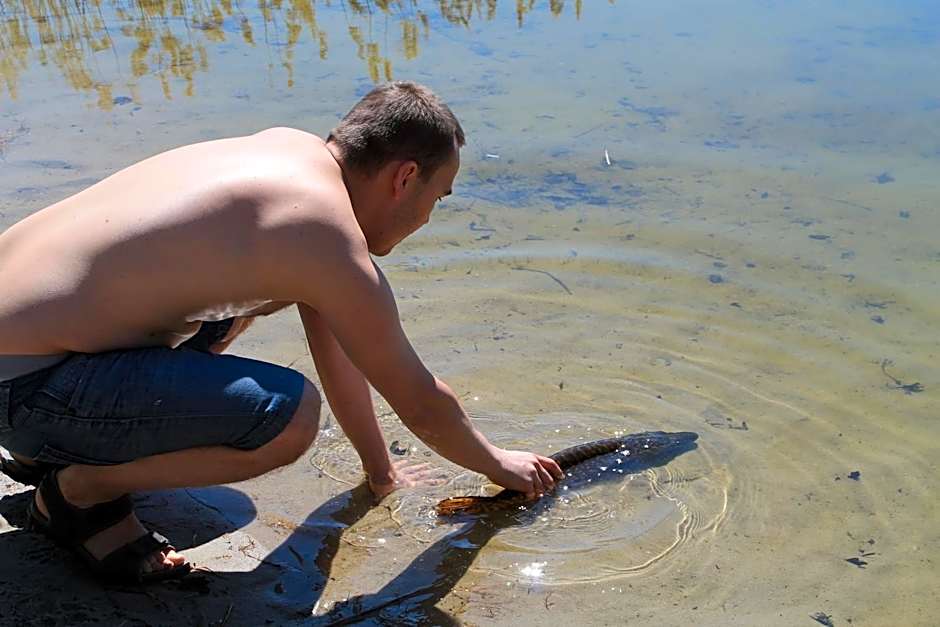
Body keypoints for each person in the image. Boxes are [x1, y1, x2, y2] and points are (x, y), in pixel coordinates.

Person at [0, 81, 563, 583]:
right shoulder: (323, 237)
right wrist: (498, 463)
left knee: (232, 307)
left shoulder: (291, 157)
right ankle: (76, 492)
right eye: (437, 199)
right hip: (23, 389)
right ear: (405, 177)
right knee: (287, 419)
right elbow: (419, 401)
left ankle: (50, 452)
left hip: (26, 349)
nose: (428, 217)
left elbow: (337, 341)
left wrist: (381, 471)